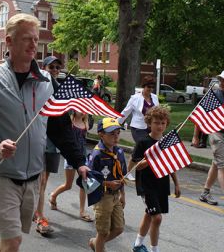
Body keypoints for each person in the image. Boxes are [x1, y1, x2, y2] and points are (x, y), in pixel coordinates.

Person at [0, 13, 89, 252]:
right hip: (1, 175)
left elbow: (59, 128)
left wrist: (79, 161)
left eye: (36, 39)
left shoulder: (46, 83)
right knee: (12, 240)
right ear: (9, 42)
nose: (34, 45)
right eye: (27, 39)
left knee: (13, 239)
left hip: (32, 177)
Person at [131, 106, 181, 252]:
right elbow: (137, 166)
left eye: (163, 123)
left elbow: (171, 165)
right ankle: (154, 250)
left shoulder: (167, 142)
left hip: (162, 184)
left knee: (149, 214)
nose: (160, 126)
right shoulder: (143, 142)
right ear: (149, 123)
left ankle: (138, 244)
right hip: (147, 185)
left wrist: (176, 184)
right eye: (156, 123)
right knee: (157, 218)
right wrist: (153, 156)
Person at [32, 56, 63, 235]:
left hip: (53, 142)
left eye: (58, 67)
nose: (55, 70)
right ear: (44, 67)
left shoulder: (60, 89)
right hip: (39, 138)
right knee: (40, 180)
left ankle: (36, 209)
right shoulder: (39, 85)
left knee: (44, 180)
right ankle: (39, 216)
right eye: (52, 66)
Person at [87, 118, 127, 252]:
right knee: (103, 232)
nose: (115, 137)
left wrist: (123, 194)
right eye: (111, 134)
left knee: (119, 228)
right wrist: (107, 183)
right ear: (101, 135)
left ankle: (95, 242)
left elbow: (122, 175)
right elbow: (89, 180)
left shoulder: (119, 152)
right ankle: (99, 245)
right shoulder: (97, 154)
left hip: (116, 196)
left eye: (117, 133)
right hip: (102, 197)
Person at [49, 111, 93, 222]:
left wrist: (86, 120)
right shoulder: (70, 122)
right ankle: (53, 195)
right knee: (68, 185)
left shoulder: (85, 123)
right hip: (70, 156)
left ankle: (82, 211)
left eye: (85, 110)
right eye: (80, 109)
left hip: (82, 156)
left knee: (84, 184)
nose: (83, 112)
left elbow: (85, 132)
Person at [118, 75, 159, 180]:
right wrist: (116, 124)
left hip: (151, 128)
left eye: (152, 87)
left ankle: (147, 170)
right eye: (148, 87)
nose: (150, 89)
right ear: (143, 86)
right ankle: (128, 171)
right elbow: (125, 112)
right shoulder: (135, 98)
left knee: (150, 149)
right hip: (137, 127)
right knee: (142, 145)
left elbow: (158, 112)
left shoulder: (154, 97)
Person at [199, 71, 224, 206]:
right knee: (222, 166)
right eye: (222, 80)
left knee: (216, 163)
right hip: (216, 133)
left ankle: (205, 192)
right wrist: (196, 137)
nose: (223, 82)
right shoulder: (214, 95)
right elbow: (201, 115)